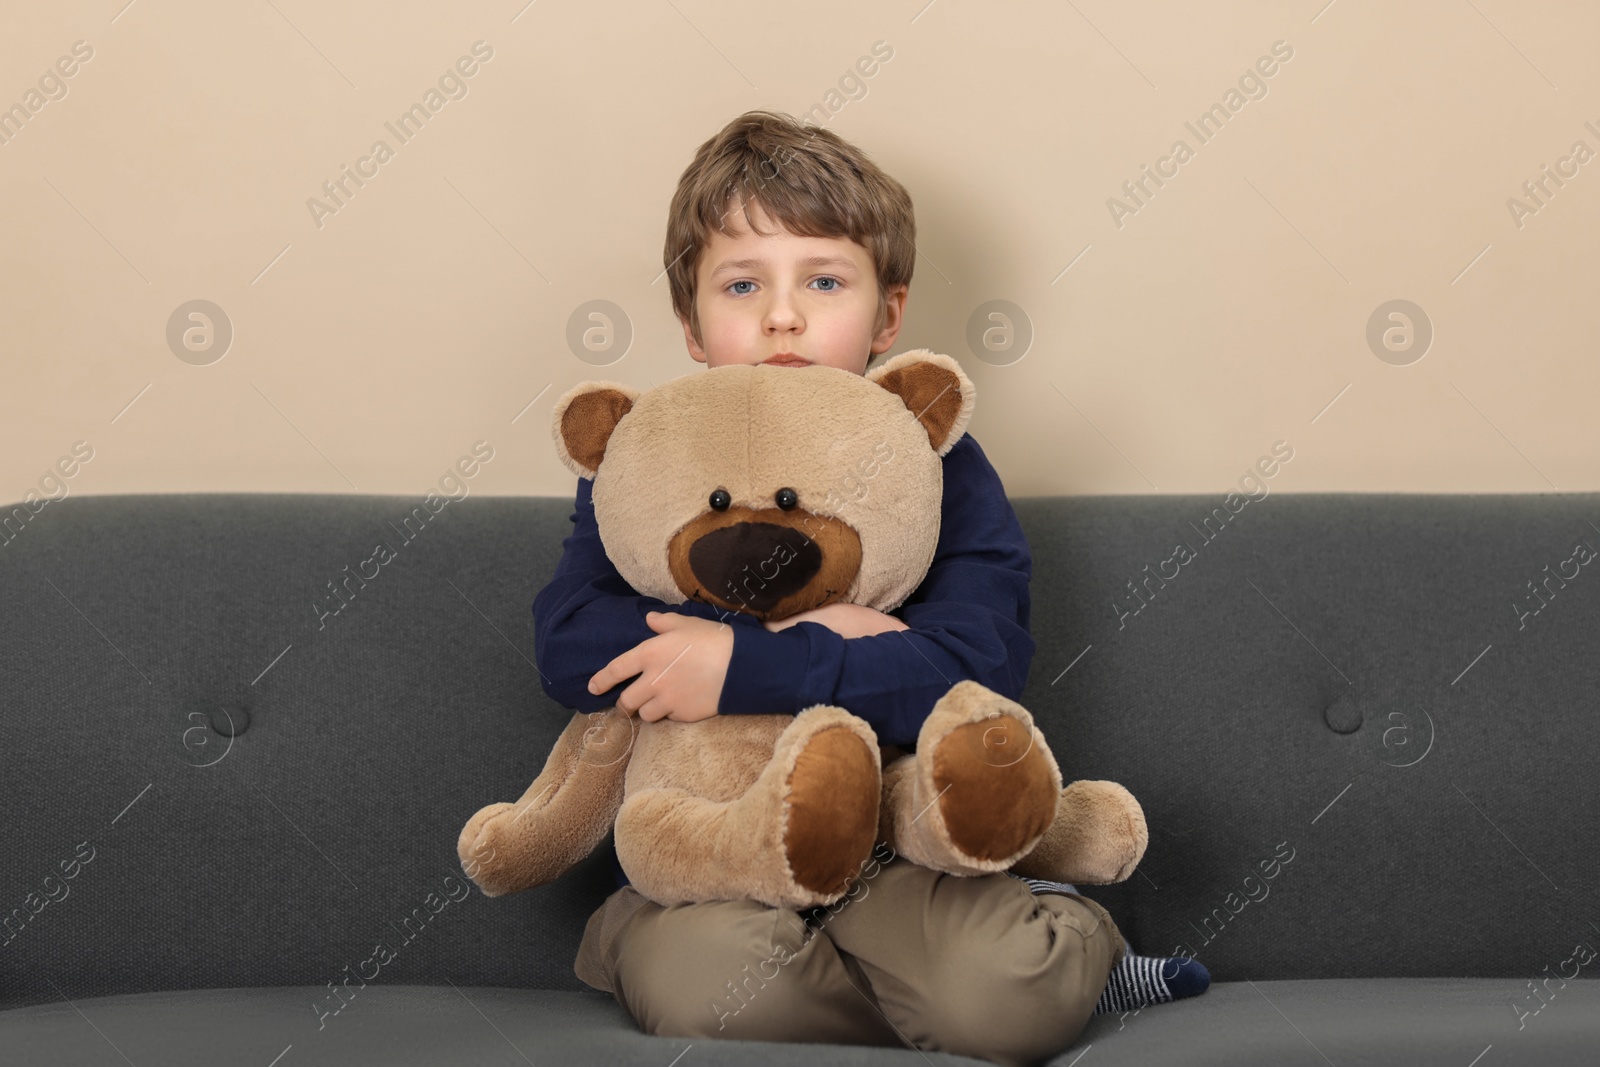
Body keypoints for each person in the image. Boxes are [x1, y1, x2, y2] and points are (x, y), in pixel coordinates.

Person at [535, 110, 1206, 1066]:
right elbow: (568, 645)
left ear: (887, 316)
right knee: (717, 995)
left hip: (894, 843)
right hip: (712, 847)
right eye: (741, 284)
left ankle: (1066, 947)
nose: (783, 315)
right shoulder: (647, 456)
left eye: (824, 279)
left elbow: (976, 669)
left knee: (1005, 1001)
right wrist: (827, 645)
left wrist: (744, 664)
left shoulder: (937, 459)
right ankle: (646, 938)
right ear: (690, 322)